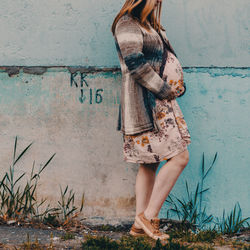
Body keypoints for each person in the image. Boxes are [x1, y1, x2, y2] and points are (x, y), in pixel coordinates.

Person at [111, 0, 191, 241]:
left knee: (149, 164)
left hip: (161, 104)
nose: (158, 2)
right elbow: (135, 63)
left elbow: (164, 60)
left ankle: (138, 227)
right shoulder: (126, 24)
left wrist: (177, 85)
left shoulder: (150, 26)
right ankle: (149, 216)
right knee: (180, 157)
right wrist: (165, 90)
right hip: (148, 105)